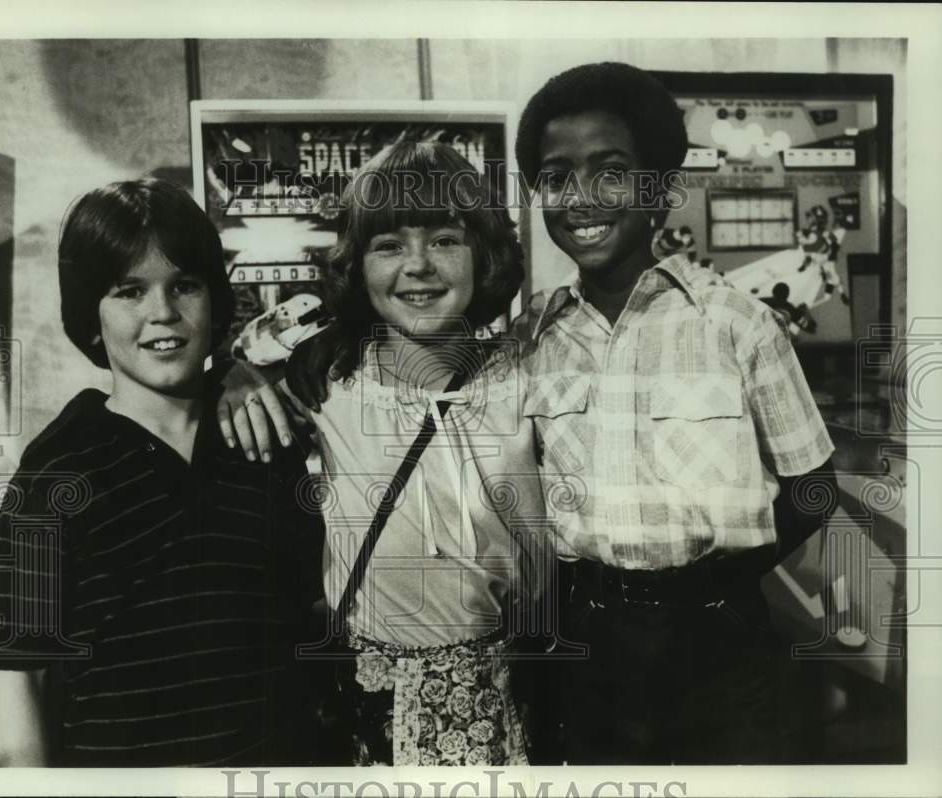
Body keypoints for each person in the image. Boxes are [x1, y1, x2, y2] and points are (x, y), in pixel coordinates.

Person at [240, 62, 842, 765]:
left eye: (611, 171)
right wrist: (241, 371)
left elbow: (814, 486)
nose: (582, 197)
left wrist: (719, 579)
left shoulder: (736, 324)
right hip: (585, 647)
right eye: (557, 176)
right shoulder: (533, 338)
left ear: (660, 188)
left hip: (717, 642)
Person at [219, 140, 557, 766]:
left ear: (483, 253)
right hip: (369, 705)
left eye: (445, 240)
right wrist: (230, 377)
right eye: (389, 245)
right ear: (358, 264)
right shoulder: (329, 382)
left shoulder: (526, 377)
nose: (419, 265)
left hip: (506, 697)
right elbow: (223, 371)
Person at [0, 178, 323, 766]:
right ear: (90, 316)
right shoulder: (53, 474)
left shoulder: (266, 438)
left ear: (215, 299)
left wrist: (238, 369)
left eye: (184, 286)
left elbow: (305, 620)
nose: (162, 312)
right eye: (129, 291)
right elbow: (23, 676)